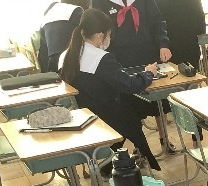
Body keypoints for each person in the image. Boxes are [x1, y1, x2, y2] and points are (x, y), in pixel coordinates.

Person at [60, 8, 160, 170]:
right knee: (137, 111)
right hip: (107, 116)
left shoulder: (66, 54)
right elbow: (130, 85)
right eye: (109, 35)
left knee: (131, 108)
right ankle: (109, 163)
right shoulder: (100, 58)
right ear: (100, 36)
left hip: (84, 113)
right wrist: (148, 73)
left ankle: (108, 162)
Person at [92, 0, 175, 152]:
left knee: (158, 101)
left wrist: (163, 44)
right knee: (132, 104)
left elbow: (157, 21)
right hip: (120, 59)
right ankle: (140, 146)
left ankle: (165, 140)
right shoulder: (100, 2)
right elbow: (98, 28)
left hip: (147, 54)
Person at [38, 0, 90, 73]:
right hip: (69, 65)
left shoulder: (50, 12)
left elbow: (43, 51)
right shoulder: (77, 12)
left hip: (50, 68)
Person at [155, 0, 205, 68]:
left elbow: (156, 23)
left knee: (172, 70)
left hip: (169, 43)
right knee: (191, 69)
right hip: (189, 42)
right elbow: (200, 19)